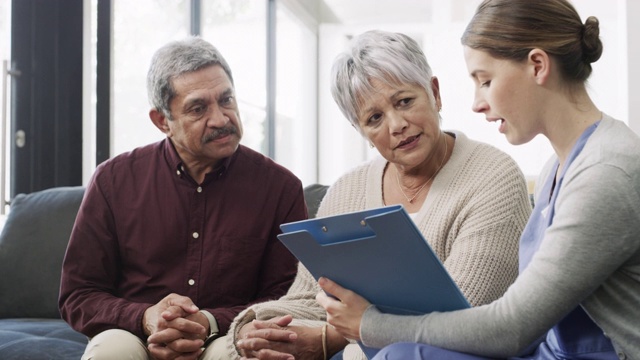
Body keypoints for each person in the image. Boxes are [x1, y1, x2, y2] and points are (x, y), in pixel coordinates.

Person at [316, 1, 640, 359]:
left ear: (537, 65)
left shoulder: (606, 170)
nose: (477, 104)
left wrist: (369, 325)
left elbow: (512, 327)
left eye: (485, 81)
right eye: (374, 118)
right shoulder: (556, 168)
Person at [214, 30, 532, 360]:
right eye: (374, 118)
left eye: (405, 101)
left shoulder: (494, 176)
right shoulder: (345, 191)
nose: (396, 125)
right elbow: (309, 298)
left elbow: (465, 314)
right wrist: (256, 328)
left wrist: (332, 339)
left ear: (434, 93)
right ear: (361, 131)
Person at [58, 37, 307, 360]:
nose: (220, 118)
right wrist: (147, 318)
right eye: (198, 108)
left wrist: (209, 321)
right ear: (163, 121)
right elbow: (78, 294)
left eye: (226, 99)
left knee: (233, 354)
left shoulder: (280, 187)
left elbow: (286, 296)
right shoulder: (113, 180)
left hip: (229, 332)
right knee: (111, 351)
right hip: (135, 334)